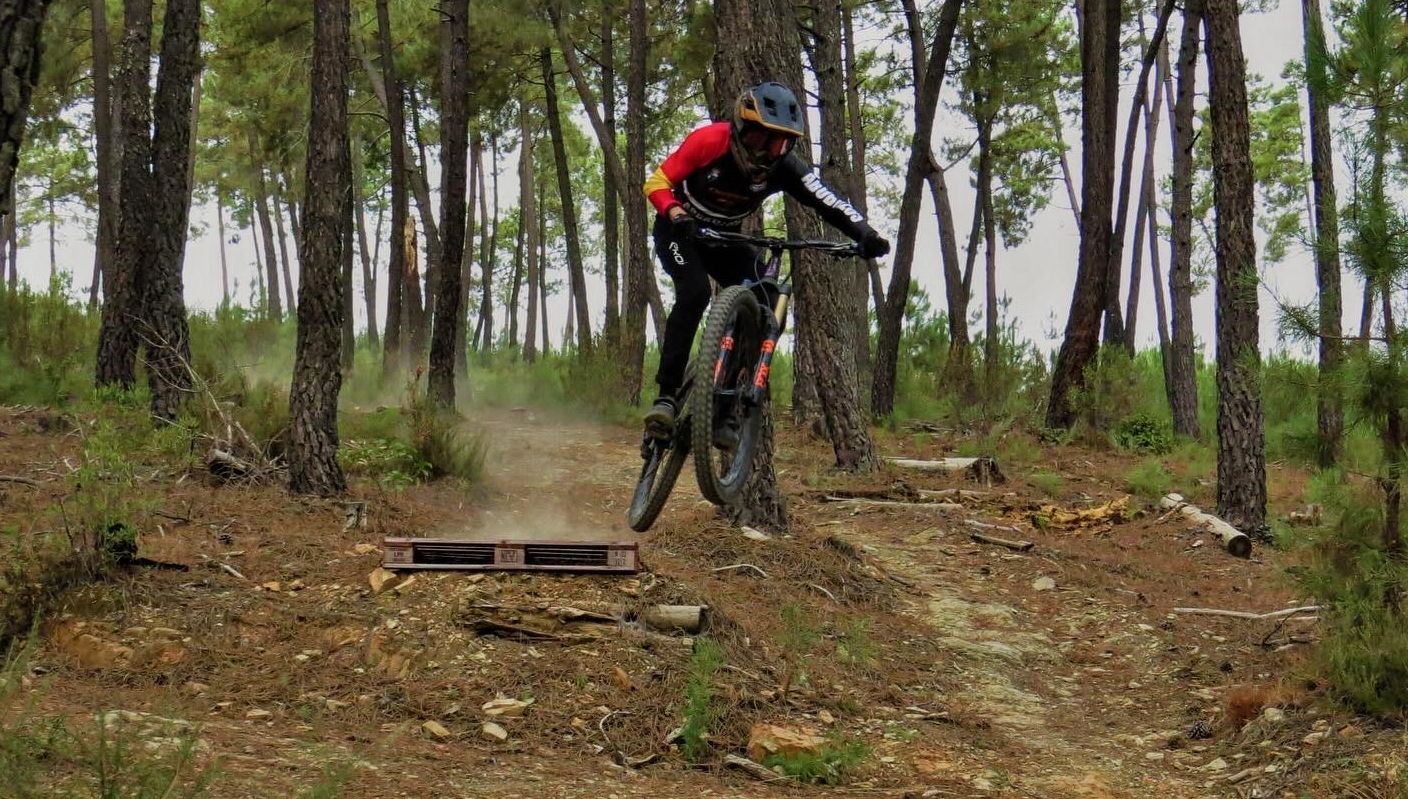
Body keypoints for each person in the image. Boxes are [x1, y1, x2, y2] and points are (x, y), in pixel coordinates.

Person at [640, 81, 890, 435]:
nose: (770, 151)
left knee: (769, 302)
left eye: (781, 143)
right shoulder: (709, 141)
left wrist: (865, 234)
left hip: (725, 239)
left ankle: (725, 405)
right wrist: (676, 214)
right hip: (680, 234)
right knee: (694, 293)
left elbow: (827, 200)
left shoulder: (783, 167)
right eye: (763, 139)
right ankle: (665, 398)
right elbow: (657, 182)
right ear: (743, 130)